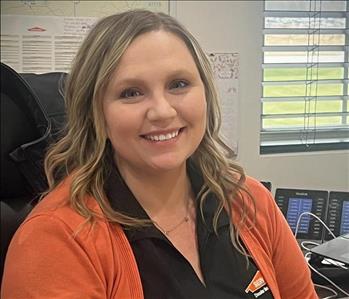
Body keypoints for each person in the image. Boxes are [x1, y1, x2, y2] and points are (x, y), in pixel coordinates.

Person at [1, 10, 318, 299]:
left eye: (178, 84)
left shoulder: (249, 201)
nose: (162, 111)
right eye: (131, 92)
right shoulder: (57, 241)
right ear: (96, 112)